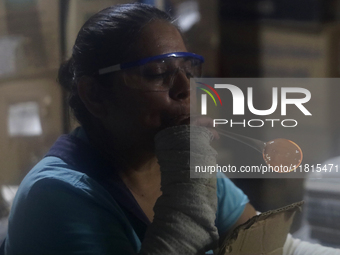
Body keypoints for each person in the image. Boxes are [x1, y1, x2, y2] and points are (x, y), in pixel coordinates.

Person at [2, 3, 340, 255]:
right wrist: (191, 176)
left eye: (188, 70)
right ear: (95, 95)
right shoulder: (55, 199)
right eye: (158, 73)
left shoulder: (176, 162)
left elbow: (272, 249)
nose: (185, 88)